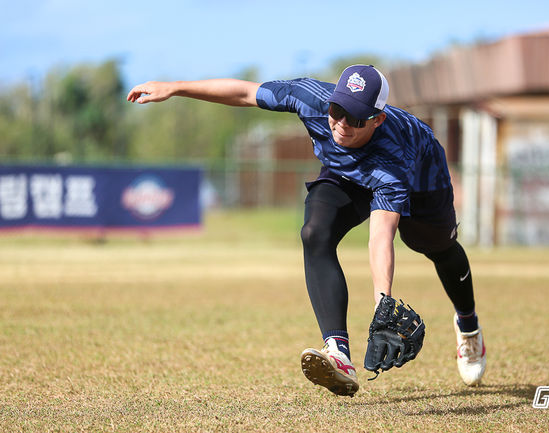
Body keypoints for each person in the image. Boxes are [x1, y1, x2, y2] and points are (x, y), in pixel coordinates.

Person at [127, 65, 486, 397]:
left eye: (356, 118)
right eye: (338, 111)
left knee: (431, 243)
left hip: (422, 180)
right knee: (315, 231)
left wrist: (383, 303)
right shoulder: (310, 99)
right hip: (346, 174)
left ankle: (468, 327)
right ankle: (338, 354)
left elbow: (381, 236)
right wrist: (174, 87)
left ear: (377, 120)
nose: (342, 123)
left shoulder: (395, 156)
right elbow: (243, 93)